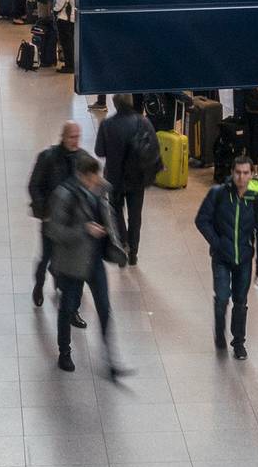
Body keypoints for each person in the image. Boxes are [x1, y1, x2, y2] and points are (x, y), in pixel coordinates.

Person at [44, 151, 129, 377]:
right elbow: (53, 230)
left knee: (104, 308)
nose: (96, 181)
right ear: (83, 176)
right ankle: (65, 352)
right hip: (72, 264)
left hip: (94, 261)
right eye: (93, 177)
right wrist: (84, 229)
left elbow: (108, 217)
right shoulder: (65, 196)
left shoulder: (99, 191)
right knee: (68, 308)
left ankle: (111, 358)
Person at [195, 155, 258, 358]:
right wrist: (217, 242)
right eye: (238, 172)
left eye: (246, 173)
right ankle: (219, 333)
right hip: (221, 257)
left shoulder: (256, 198)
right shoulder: (218, 194)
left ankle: (238, 342)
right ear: (232, 173)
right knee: (221, 298)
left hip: (244, 258)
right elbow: (202, 220)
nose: (241, 177)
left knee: (240, 301)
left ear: (252, 174)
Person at [27, 121, 86, 314]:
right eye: (72, 137)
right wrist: (43, 212)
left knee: (67, 257)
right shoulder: (48, 157)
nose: (75, 141)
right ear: (63, 136)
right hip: (51, 219)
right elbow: (34, 185)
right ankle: (39, 284)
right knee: (46, 256)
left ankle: (61, 282)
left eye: (78, 137)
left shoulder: (82, 159)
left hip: (72, 222)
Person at [94, 94, 159, 264]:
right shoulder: (143, 122)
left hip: (114, 178)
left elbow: (99, 151)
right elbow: (154, 148)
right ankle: (134, 252)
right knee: (135, 215)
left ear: (115, 105)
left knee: (116, 212)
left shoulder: (107, 124)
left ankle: (122, 243)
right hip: (137, 178)